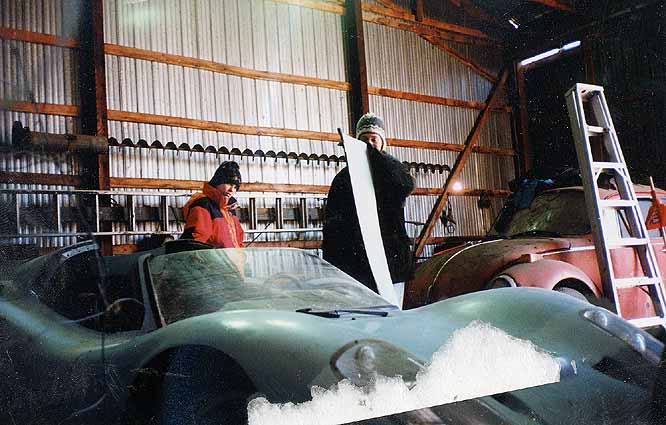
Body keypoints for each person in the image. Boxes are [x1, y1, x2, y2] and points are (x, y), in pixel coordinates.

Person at [323, 113, 415, 302]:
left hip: (390, 257)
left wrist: (376, 158)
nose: (369, 144)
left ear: (382, 142)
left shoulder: (393, 171)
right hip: (356, 261)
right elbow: (332, 222)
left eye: (374, 139)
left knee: (391, 307)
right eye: (364, 140)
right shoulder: (343, 178)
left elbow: (405, 185)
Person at [181, 161, 244, 248]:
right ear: (218, 181)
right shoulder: (203, 205)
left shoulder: (229, 208)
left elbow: (239, 240)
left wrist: (240, 255)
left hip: (231, 256)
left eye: (235, 187)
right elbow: (196, 242)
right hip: (212, 257)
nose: (232, 190)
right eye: (229, 184)